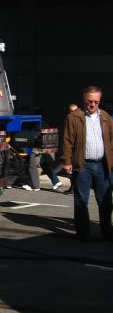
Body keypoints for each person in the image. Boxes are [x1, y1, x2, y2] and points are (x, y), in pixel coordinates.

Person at [61, 86, 113, 241]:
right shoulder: (74, 117)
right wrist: (67, 161)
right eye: (90, 101)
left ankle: (106, 230)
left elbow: (111, 141)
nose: (93, 105)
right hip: (83, 165)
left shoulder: (105, 116)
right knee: (81, 200)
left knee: (105, 200)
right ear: (84, 100)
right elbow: (67, 140)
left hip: (102, 165)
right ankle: (83, 231)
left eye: (96, 102)